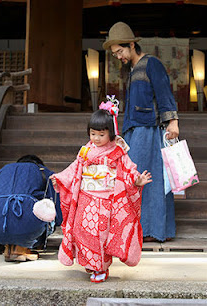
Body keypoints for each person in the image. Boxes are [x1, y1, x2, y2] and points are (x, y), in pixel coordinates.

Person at [50, 104, 152, 283]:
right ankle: (92, 264)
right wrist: (60, 178)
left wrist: (137, 180)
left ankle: (101, 268)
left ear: (111, 133)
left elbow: (128, 170)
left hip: (106, 200)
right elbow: (75, 169)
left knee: (100, 235)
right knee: (82, 231)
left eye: (101, 134)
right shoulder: (86, 151)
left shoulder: (118, 151)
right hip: (85, 198)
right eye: (93, 133)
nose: (96, 138)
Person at [103, 21, 179, 243]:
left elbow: (164, 93)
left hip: (150, 130)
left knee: (148, 178)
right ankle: (134, 228)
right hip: (134, 131)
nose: (118, 57)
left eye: (120, 51)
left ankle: (151, 229)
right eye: (115, 54)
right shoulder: (133, 70)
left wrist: (172, 122)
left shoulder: (151, 64)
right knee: (132, 178)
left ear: (131, 45)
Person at [0, 154, 62, 262]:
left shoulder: (3, 171)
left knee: (7, 218)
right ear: (38, 164)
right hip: (28, 226)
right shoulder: (43, 171)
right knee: (44, 212)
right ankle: (22, 247)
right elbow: (56, 208)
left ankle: (5, 243)